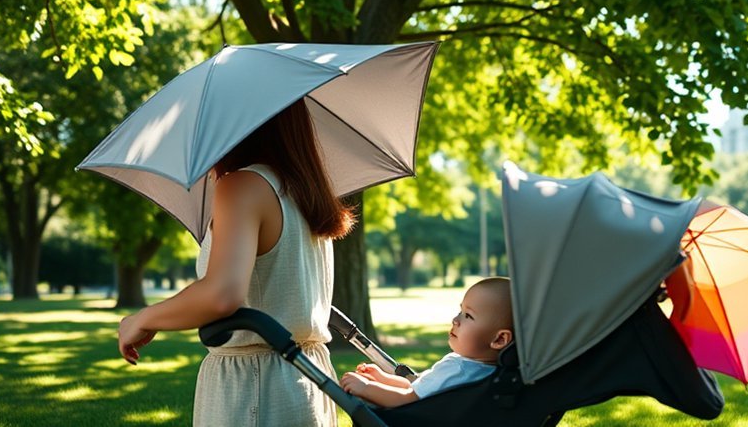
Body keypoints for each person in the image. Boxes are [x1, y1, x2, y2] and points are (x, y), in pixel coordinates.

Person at [117, 100, 354, 427]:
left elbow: (222, 293)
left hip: (254, 385)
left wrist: (143, 318)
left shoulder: (242, 187)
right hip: (307, 379)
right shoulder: (306, 192)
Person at [340, 277, 514, 408]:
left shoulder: (459, 371)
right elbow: (419, 386)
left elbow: (407, 398)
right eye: (460, 311)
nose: (455, 320)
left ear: (499, 339)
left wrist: (366, 388)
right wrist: (383, 378)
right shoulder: (483, 372)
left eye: (468, 316)